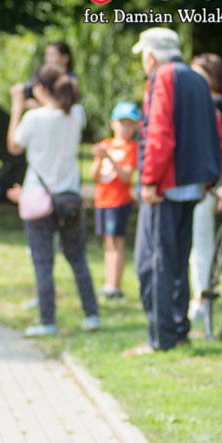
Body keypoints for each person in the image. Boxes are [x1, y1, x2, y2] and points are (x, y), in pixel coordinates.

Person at [124, 28, 222, 356]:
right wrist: (208, 180)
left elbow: (159, 132)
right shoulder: (197, 79)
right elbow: (216, 133)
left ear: (151, 56)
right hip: (192, 185)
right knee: (178, 259)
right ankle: (179, 332)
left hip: (165, 185)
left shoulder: (163, 77)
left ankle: (159, 338)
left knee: (153, 262)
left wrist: (149, 180)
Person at [5, 65, 99, 337]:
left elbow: (14, 145)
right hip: (69, 199)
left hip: (39, 198)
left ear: (40, 89)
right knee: (77, 258)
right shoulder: (76, 114)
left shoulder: (32, 118)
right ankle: (91, 315)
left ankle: (48, 321)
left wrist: (17, 106)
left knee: (43, 262)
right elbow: (57, 112)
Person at [188, 54, 222, 325]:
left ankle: (200, 298)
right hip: (220, 181)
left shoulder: (209, 105)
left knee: (200, 242)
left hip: (210, 182)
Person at [90, 102, 140, 301]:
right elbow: (94, 175)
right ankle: (108, 284)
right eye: (122, 122)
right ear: (113, 123)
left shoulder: (132, 148)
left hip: (119, 201)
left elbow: (126, 176)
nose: (125, 127)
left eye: (130, 123)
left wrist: (109, 158)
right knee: (107, 243)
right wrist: (100, 158)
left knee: (116, 242)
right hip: (102, 200)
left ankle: (115, 286)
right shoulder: (106, 144)